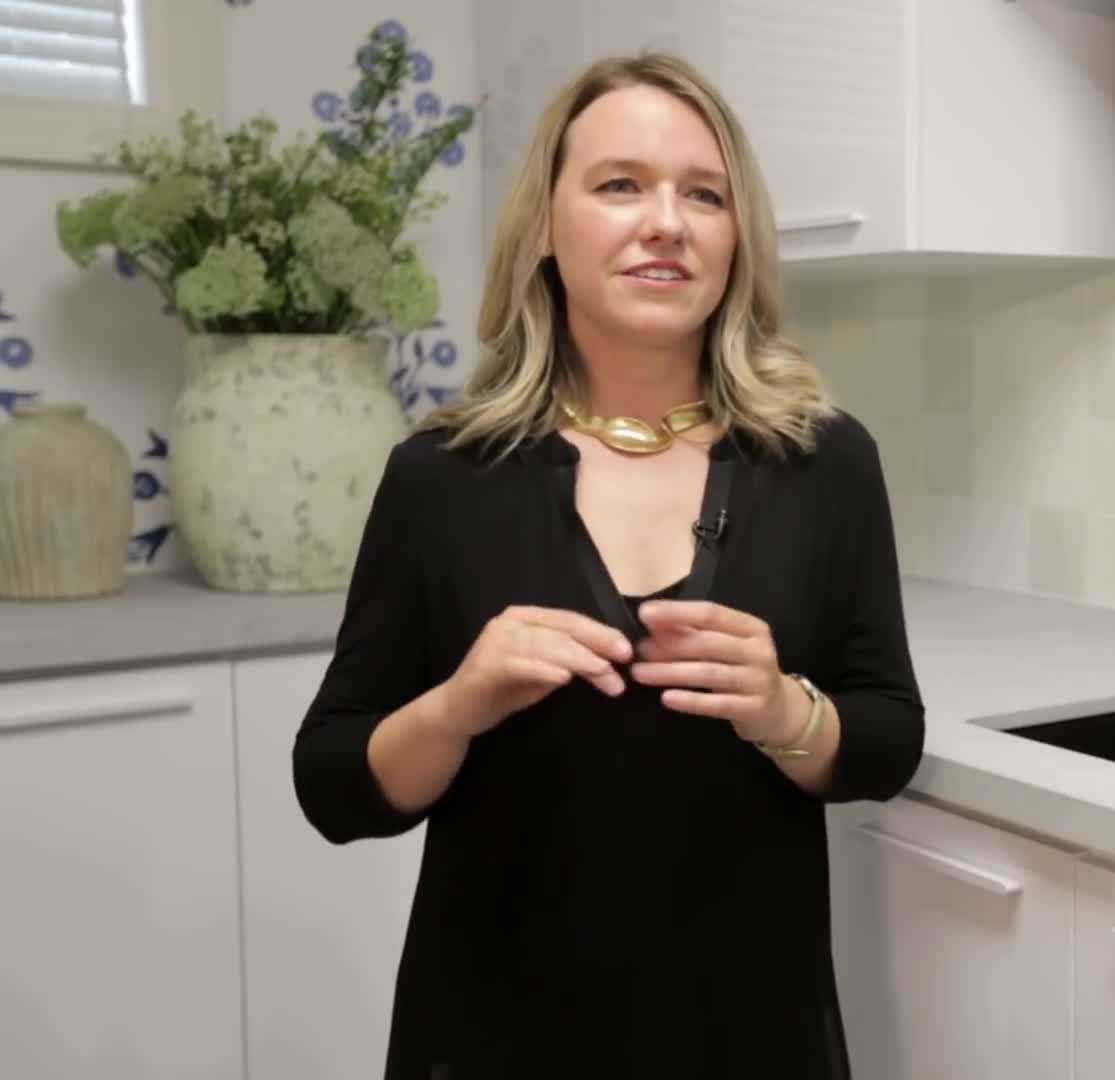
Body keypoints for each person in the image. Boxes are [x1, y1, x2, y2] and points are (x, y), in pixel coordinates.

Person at [291, 51, 925, 1079]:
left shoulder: (824, 461)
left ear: (738, 238)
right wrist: (458, 705)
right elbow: (332, 782)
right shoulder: (442, 477)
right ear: (545, 225)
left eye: (704, 194)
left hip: (751, 1032)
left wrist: (784, 710)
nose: (667, 222)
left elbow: (887, 738)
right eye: (621, 184)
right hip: (492, 1038)